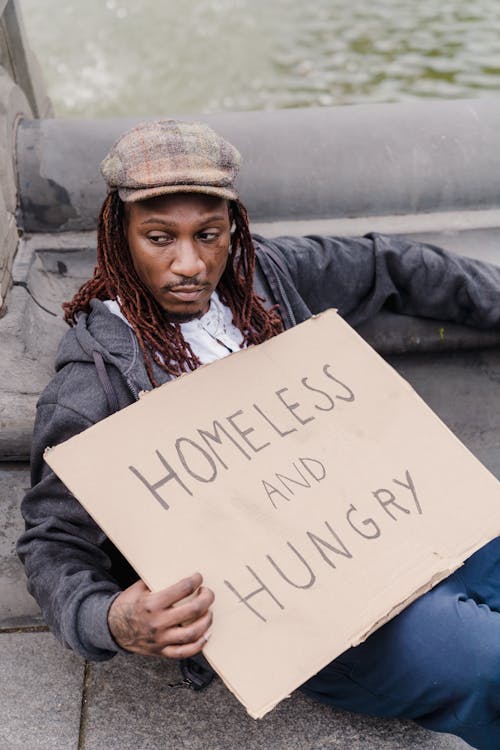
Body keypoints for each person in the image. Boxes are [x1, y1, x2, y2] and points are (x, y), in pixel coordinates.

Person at [18, 118, 500, 749]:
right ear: (118, 236)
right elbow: (51, 541)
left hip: (400, 519)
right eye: (159, 238)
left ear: (234, 228)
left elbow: (390, 262)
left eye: (209, 236)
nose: (189, 264)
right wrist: (111, 619)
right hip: (322, 615)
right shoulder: (93, 384)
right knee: (486, 665)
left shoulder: (264, 276)